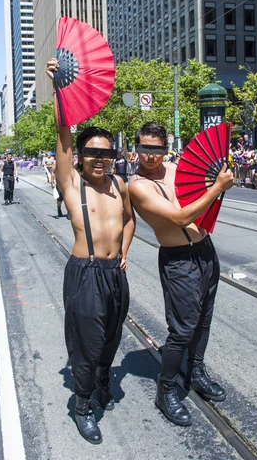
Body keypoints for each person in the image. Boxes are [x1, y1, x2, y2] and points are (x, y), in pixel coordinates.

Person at [46, 58, 135, 445]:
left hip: (116, 273)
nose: (101, 159)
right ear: (81, 157)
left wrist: (126, 249)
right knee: (87, 341)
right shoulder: (72, 183)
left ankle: (103, 379)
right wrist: (59, 87)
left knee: (112, 336)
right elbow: (63, 135)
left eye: (107, 154)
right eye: (93, 154)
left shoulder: (120, 185)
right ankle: (81, 406)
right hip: (85, 273)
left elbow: (130, 220)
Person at [128, 122, 234, 427]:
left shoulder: (178, 169)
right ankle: (166, 389)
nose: (150, 156)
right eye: (145, 148)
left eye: (157, 149)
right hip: (178, 261)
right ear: (137, 148)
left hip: (205, 251)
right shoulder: (137, 185)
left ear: (165, 148)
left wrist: (222, 178)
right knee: (182, 329)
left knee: (203, 321)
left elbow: (206, 195)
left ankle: (196, 372)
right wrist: (217, 188)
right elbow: (179, 217)